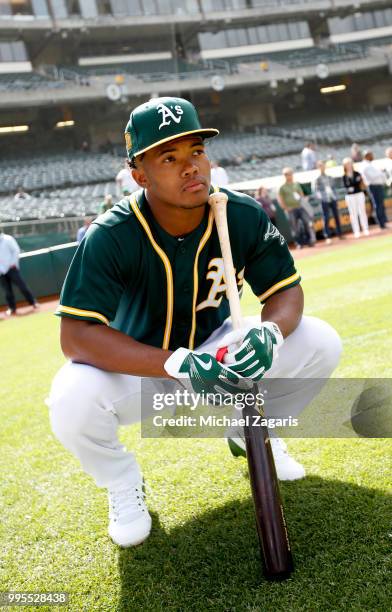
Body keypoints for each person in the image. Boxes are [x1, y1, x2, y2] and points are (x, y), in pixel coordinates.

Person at [48, 96, 341, 549]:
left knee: (320, 340)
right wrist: (176, 365)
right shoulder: (111, 234)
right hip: (142, 371)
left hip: (223, 362)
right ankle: (122, 481)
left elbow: (284, 291)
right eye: (170, 157)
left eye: (197, 153)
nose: (191, 168)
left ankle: (254, 432)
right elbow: (76, 337)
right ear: (139, 174)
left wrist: (270, 331)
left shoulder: (240, 213)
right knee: (70, 399)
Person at [0, 231, 38, 315]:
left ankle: (33, 302)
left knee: (22, 286)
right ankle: (11, 308)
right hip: (1, 271)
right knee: (7, 291)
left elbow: (16, 250)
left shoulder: (8, 239)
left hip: (12, 268)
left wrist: (12, 263)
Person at [278, 167, 314, 248]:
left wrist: (302, 203)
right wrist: (286, 208)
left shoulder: (296, 184)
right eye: (286, 174)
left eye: (289, 174)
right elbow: (280, 199)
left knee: (306, 223)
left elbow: (301, 194)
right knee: (295, 227)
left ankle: (309, 241)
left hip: (300, 207)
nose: (288, 176)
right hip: (291, 210)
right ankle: (299, 243)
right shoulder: (282, 187)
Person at [313, 161, 343, 244]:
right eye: (320, 166)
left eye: (322, 166)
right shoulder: (317, 179)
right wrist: (322, 198)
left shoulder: (329, 177)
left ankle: (340, 234)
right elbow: (316, 191)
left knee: (336, 216)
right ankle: (328, 236)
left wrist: (335, 197)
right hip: (325, 200)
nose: (322, 167)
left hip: (332, 199)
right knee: (326, 218)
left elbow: (333, 188)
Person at [342, 157, 369, 238]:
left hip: (359, 194)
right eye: (347, 164)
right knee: (353, 213)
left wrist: (354, 185)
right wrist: (354, 184)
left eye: (350, 163)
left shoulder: (357, 173)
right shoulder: (344, 176)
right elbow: (347, 187)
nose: (349, 165)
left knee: (362, 212)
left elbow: (359, 184)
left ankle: (365, 228)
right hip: (350, 196)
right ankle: (356, 231)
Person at [361, 151, 387, 229]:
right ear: (366, 156)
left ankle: (383, 222)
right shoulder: (365, 165)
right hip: (373, 187)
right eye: (371, 155)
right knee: (377, 205)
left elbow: (381, 175)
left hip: (378, 186)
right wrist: (380, 173)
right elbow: (372, 176)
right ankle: (381, 223)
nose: (373, 156)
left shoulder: (370, 164)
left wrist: (380, 174)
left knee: (381, 205)